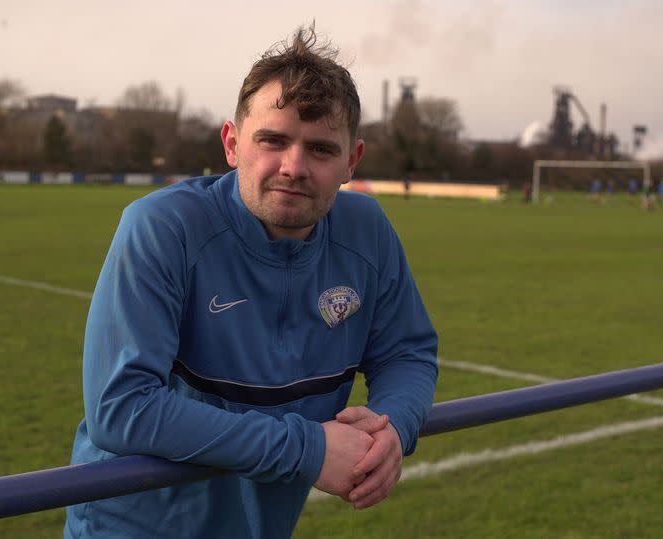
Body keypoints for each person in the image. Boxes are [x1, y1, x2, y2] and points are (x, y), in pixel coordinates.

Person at [65, 25, 438, 539]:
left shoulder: (366, 232)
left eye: (322, 150)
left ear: (352, 162)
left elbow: (406, 353)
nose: (293, 167)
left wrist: (393, 426)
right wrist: (311, 449)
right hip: (132, 529)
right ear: (233, 143)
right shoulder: (162, 227)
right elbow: (121, 407)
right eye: (273, 140)